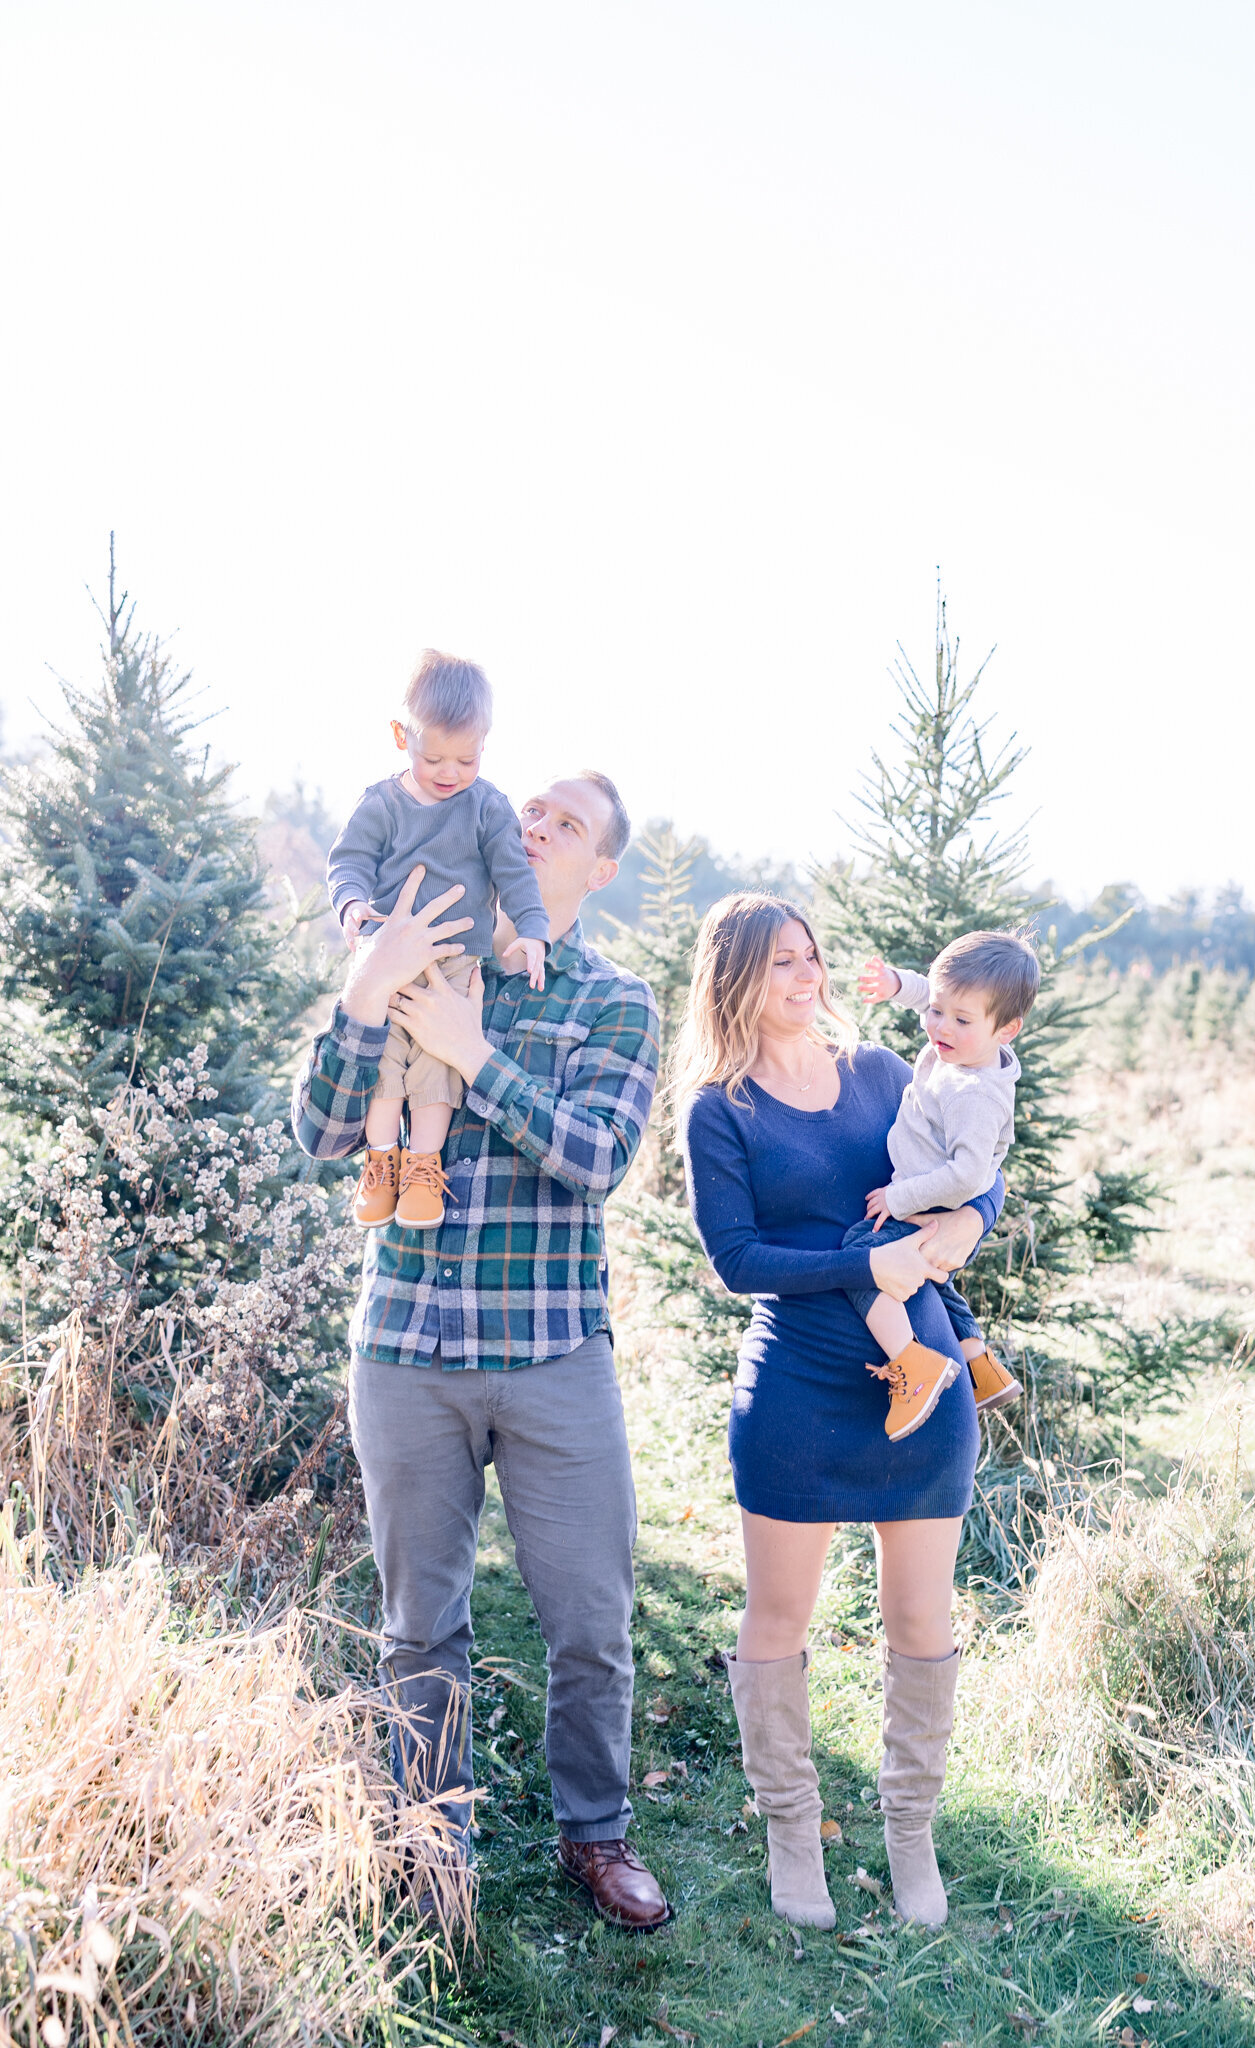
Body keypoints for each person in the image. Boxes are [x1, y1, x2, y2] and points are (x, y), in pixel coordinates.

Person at [292, 769, 671, 1932]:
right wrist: (368, 995)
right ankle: (432, 1838)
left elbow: (600, 1155)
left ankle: (594, 1833)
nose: (537, 822)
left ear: (595, 871)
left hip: (555, 1355)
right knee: (422, 1623)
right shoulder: (420, 952)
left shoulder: (614, 999)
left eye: (568, 824)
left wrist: (478, 1055)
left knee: (591, 1621)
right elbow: (316, 1131)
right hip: (406, 1348)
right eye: (534, 808)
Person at [675, 894, 1004, 1932]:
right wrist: (866, 1260)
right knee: (777, 1617)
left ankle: (910, 1831)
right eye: (780, 962)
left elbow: (978, 1168)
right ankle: (789, 1825)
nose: (804, 975)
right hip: (797, 1387)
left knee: (920, 1618)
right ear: (734, 977)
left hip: (925, 1384)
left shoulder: (882, 1072)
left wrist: (964, 1218)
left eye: (810, 956)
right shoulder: (719, 1106)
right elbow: (736, 1260)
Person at [326, 650, 550, 1231]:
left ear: (485, 745)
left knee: (434, 1068)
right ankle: (380, 1163)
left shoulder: (487, 807)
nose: (450, 771)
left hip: (453, 965)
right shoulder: (381, 804)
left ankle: (423, 1168)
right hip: (387, 956)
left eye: (466, 758)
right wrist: (352, 905)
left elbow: (514, 875)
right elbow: (349, 861)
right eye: (434, 758)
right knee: (382, 1060)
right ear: (401, 736)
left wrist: (532, 930)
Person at [844, 930, 1040, 1438]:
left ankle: (913, 1364)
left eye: (960, 1020)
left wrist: (899, 1198)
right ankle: (981, 1367)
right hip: (934, 1200)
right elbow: (936, 991)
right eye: (936, 1011)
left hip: (932, 1205)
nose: (939, 1027)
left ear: (1007, 1029)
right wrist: (896, 985)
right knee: (937, 1279)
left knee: (860, 1258)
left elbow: (970, 1175)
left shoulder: (973, 1093)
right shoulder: (962, 1051)